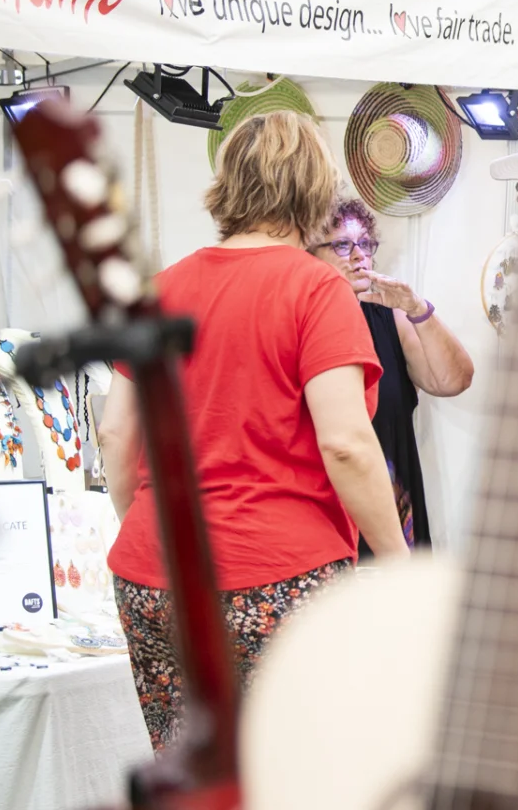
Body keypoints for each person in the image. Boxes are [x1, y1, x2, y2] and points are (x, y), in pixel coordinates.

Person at [98, 112, 407, 749]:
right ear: (313, 188)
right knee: (296, 770)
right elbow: (346, 443)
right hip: (276, 575)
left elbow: (115, 435)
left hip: (153, 575)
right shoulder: (317, 290)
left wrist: (148, 529)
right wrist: (399, 563)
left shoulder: (158, 291)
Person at [311, 198, 474, 551]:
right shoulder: (302, 326)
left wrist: (416, 308)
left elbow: (454, 380)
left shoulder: (389, 317)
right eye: (342, 245)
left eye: (365, 243)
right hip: (328, 518)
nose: (359, 256)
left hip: (394, 513)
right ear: (310, 256)